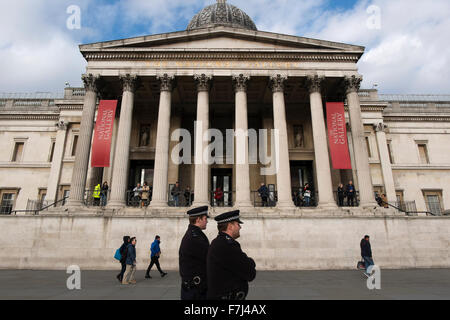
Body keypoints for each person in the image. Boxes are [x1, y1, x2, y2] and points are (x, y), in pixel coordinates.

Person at [207, 210, 256, 300]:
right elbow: (250, 273)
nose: (240, 227)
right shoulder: (227, 245)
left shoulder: (220, 242)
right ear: (230, 226)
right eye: (238, 224)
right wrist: (251, 262)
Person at [179, 206, 210, 300]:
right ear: (198, 220)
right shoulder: (194, 237)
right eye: (205, 218)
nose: (207, 221)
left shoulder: (195, 234)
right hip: (195, 291)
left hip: (194, 288)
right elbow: (209, 257)